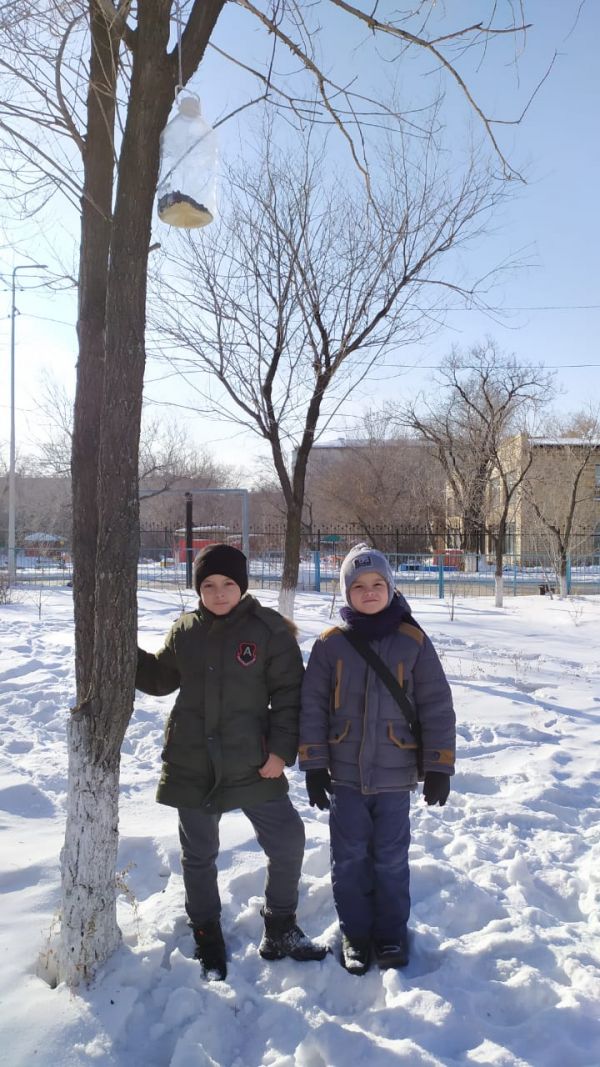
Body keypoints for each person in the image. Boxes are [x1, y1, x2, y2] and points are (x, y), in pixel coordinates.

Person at [136, 543, 326, 980]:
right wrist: (121, 647)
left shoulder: (269, 630)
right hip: (194, 761)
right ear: (197, 589)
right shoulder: (185, 630)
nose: (218, 593)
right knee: (198, 854)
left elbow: (289, 695)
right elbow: (162, 679)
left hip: (254, 760)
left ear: (242, 585)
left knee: (288, 840)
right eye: (208, 585)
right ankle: (206, 934)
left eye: (227, 584)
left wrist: (280, 751)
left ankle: (280, 926)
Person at [299, 543, 455, 976]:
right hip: (345, 776)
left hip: (394, 776)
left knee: (390, 859)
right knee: (348, 859)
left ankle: (390, 933)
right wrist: (314, 764)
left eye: (377, 584)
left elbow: (436, 705)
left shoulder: (413, 642)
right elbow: (312, 707)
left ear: (391, 588)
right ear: (346, 592)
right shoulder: (330, 645)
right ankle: (355, 932)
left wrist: (439, 765)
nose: (369, 592)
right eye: (358, 586)